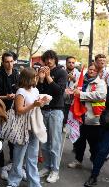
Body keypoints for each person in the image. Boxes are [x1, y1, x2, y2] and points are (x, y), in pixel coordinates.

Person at [6, 67, 49, 187]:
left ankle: (34, 183)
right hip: (22, 127)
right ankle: (13, 182)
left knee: (32, 158)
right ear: (27, 78)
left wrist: (42, 102)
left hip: (33, 126)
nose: (37, 78)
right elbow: (19, 111)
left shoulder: (35, 90)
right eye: (34, 76)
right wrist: (34, 104)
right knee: (19, 158)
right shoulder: (20, 92)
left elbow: (35, 106)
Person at [67, 64, 107, 168]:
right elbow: (73, 90)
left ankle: (95, 163)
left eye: (94, 70)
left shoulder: (101, 83)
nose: (91, 71)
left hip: (93, 119)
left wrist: (81, 94)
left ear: (97, 72)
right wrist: (71, 92)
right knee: (79, 143)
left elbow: (99, 95)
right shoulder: (81, 80)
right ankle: (78, 160)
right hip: (79, 116)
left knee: (94, 144)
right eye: (90, 69)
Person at [37, 50, 68, 183]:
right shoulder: (43, 72)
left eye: (51, 59)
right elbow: (38, 91)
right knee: (44, 142)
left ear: (55, 59)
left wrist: (49, 77)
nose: (48, 61)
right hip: (43, 110)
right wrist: (41, 79)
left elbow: (59, 92)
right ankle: (46, 167)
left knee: (55, 143)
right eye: (46, 59)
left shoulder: (61, 72)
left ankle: (55, 171)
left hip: (56, 111)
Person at [0, 52, 19, 177]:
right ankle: (1, 164)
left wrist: (15, 96)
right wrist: (6, 96)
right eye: (7, 61)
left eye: (11, 61)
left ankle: (13, 163)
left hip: (13, 110)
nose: (9, 64)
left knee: (13, 138)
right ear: (2, 62)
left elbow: (20, 90)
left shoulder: (16, 74)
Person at [63, 56, 80, 127]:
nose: (71, 64)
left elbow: (80, 85)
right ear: (66, 63)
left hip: (73, 100)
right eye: (69, 62)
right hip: (63, 100)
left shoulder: (78, 74)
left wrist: (74, 79)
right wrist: (65, 78)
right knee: (63, 118)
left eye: (73, 62)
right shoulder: (62, 72)